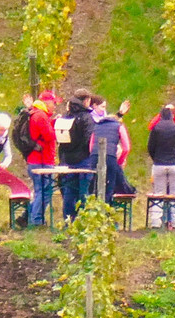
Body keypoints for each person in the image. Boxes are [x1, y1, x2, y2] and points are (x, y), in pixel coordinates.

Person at [16, 91, 59, 227]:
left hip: (36, 160)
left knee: (42, 190)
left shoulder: (35, 114)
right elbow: (50, 136)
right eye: (53, 103)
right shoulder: (40, 116)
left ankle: (27, 217)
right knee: (43, 191)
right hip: (41, 160)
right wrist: (54, 125)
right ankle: (36, 221)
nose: (55, 106)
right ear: (46, 103)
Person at [85, 96, 134, 204]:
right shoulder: (118, 126)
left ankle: (94, 212)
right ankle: (107, 213)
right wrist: (119, 162)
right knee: (109, 188)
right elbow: (126, 148)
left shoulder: (96, 127)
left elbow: (90, 147)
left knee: (95, 188)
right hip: (110, 158)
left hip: (94, 158)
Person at [146, 104, 175, 228]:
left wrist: (156, 159)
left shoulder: (156, 128)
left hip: (159, 164)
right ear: (171, 116)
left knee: (158, 194)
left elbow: (150, 147)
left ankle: (156, 223)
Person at [55, 90, 93, 221]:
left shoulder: (66, 116)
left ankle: (68, 221)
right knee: (84, 192)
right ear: (86, 101)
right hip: (83, 160)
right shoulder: (86, 117)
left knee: (69, 192)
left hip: (67, 159)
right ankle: (83, 221)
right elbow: (89, 139)